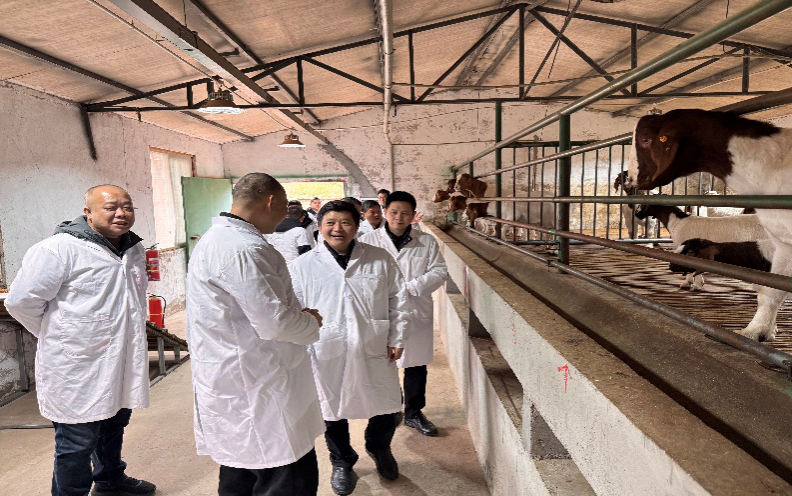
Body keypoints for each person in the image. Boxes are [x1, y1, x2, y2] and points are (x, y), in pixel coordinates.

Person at [5, 185, 156, 496]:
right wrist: (58, 334)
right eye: (110, 207)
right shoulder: (57, 249)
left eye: (127, 207)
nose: (121, 213)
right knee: (77, 441)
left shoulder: (133, 248)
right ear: (87, 212)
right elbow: (21, 302)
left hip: (121, 358)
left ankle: (110, 480)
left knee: (114, 424)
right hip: (77, 365)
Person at [186, 173, 325, 496]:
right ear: (271, 201)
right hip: (258, 379)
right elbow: (274, 323)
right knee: (284, 472)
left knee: (242, 468)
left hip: (236, 374)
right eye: (284, 206)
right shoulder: (244, 248)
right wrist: (311, 322)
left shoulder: (215, 239)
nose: (285, 214)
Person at [290, 201, 410, 496]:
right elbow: (294, 309)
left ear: (357, 227)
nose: (338, 229)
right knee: (331, 408)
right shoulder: (302, 266)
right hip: (325, 346)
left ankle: (379, 448)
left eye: (345, 222)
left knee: (386, 405)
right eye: (330, 222)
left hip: (373, 343)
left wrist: (397, 337)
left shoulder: (379, 258)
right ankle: (342, 461)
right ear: (319, 227)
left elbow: (398, 299)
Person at [360, 191, 448, 437]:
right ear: (385, 212)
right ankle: (389, 411)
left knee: (415, 364)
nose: (399, 217)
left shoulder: (426, 241)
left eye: (405, 213)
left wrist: (410, 288)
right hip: (379, 311)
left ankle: (414, 413)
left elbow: (439, 271)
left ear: (413, 215)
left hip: (414, 309)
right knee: (382, 363)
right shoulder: (368, 241)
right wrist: (385, 292)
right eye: (394, 212)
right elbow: (359, 275)